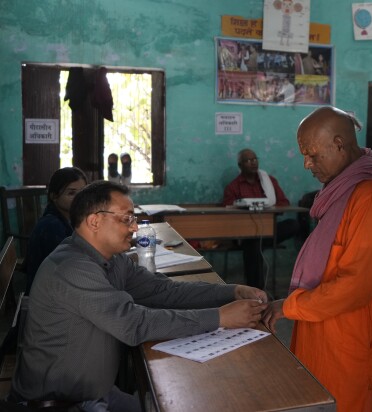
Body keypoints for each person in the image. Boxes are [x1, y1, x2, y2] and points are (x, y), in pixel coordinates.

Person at [11, 181, 267, 411]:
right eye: (127, 219)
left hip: (95, 393)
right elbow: (134, 324)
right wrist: (219, 317)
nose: (134, 227)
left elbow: (164, 290)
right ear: (94, 221)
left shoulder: (112, 259)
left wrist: (230, 291)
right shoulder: (73, 269)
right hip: (58, 403)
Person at [263, 107, 372, 411]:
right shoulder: (344, 191)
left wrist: (287, 306)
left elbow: (355, 287)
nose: (307, 164)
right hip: (330, 337)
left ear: (339, 144)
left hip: (358, 347)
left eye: (312, 154)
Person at [223, 149, 299, 289]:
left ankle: (260, 242)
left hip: (268, 230)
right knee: (253, 244)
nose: (253, 163)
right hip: (244, 234)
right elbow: (228, 210)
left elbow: (284, 202)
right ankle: (257, 292)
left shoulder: (269, 181)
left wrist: (269, 207)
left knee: (293, 224)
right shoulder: (233, 187)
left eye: (255, 159)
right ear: (240, 166)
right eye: (248, 161)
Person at [25, 166, 88, 295]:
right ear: (54, 196)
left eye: (82, 192)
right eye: (71, 193)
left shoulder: (69, 220)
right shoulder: (52, 227)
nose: (79, 198)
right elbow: (69, 272)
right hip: (46, 300)